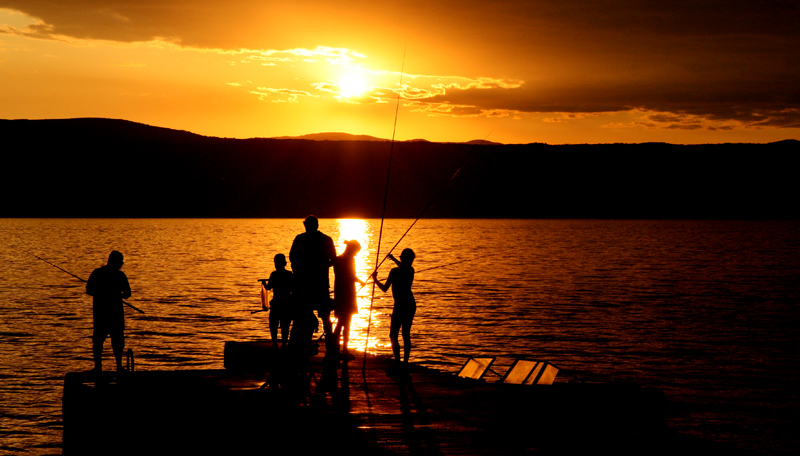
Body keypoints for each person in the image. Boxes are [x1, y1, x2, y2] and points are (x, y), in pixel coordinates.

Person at [288, 215, 336, 356]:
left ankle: (302, 345)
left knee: (302, 317)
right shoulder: (326, 240)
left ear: (306, 226)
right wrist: (322, 265)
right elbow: (333, 259)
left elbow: (292, 258)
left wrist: (300, 271)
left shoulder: (300, 239)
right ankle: (330, 348)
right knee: (325, 317)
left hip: (303, 285)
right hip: (320, 285)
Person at [86, 250, 131, 373]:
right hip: (115, 314)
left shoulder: (97, 273)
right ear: (115, 262)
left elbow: (89, 290)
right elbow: (128, 294)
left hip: (101, 314)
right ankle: (119, 366)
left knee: (98, 341)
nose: (122, 264)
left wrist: (100, 293)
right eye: (121, 261)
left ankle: (98, 367)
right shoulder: (120, 276)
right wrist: (118, 295)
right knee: (116, 341)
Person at [372, 248, 416, 371]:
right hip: (410, 304)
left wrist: (375, 279)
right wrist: (393, 259)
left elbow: (385, 288)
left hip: (400, 305)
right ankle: (405, 363)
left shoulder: (394, 271)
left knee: (393, 335)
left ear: (402, 258)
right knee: (405, 334)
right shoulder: (410, 270)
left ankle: (397, 363)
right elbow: (403, 266)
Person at [332, 240, 365, 361]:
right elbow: (350, 275)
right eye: (356, 251)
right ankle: (343, 350)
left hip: (340, 293)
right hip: (348, 294)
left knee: (341, 322)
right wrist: (360, 281)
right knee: (345, 323)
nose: (356, 254)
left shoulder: (338, 259)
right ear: (352, 249)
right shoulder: (349, 259)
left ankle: (335, 349)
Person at [263, 253, 293, 349]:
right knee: (285, 324)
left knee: (274, 324)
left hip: (276, 302)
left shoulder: (274, 274)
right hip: (287, 303)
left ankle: (275, 343)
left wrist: (264, 284)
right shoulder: (289, 274)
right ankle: (284, 344)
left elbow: (269, 287)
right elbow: (293, 288)